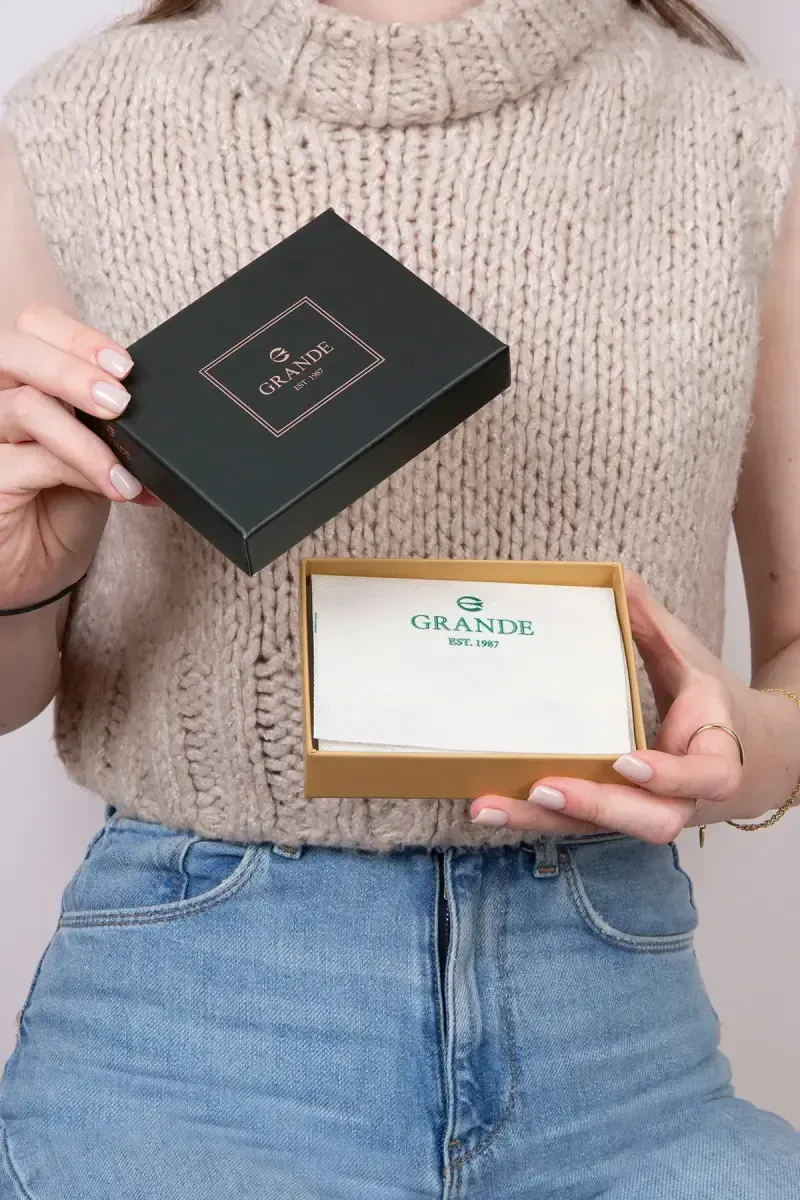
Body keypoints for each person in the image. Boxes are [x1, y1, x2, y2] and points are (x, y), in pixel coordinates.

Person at [1, 0, 800, 1196]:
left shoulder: (737, 135)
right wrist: (20, 584)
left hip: (621, 1044)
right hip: (183, 1041)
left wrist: (749, 752)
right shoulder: (71, 122)